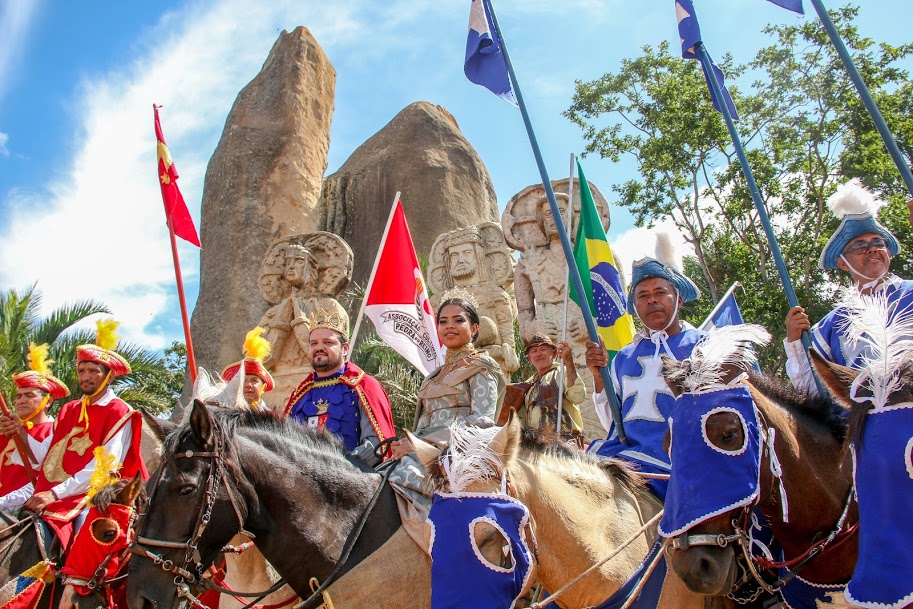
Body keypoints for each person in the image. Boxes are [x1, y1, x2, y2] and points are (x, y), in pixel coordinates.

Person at [587, 252, 704, 500]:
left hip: (683, 464)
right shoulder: (623, 357)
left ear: (679, 300)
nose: (652, 301)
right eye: (643, 296)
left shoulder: (704, 347)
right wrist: (600, 378)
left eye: (660, 293)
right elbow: (614, 423)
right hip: (627, 461)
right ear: (636, 307)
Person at [785, 180, 913, 394]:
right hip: (868, 423)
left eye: (878, 242)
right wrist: (795, 342)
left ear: (888, 252)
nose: (871, 249)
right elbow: (812, 391)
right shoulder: (830, 326)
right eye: (860, 245)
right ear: (843, 262)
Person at [27, 320, 147, 548]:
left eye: (94, 371)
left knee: (87, 539)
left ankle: (86, 584)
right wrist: (19, 434)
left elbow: (105, 468)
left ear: (109, 376)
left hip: (95, 497)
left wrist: (55, 494)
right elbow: (45, 456)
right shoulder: (69, 409)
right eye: (81, 370)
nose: (85, 376)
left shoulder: (120, 411)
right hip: (54, 494)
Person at [388, 296, 504, 502]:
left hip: (458, 454)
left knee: (399, 479)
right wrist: (408, 441)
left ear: (474, 328)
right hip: (422, 450)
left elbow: (481, 422)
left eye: (458, 320)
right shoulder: (433, 377)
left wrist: (422, 445)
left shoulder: (482, 367)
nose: (449, 326)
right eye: (443, 321)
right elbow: (424, 423)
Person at [284, 308, 395, 467]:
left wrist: (340, 467)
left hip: (349, 481)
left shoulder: (364, 386)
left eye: (328, 342)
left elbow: (377, 445)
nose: (319, 347)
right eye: (313, 343)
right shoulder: (300, 394)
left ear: (345, 349)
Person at [0, 344, 69, 512]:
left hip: (24, 509)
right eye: (19, 396)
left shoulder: (57, 432)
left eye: (29, 395)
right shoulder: (5, 430)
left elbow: (48, 472)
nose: (21, 401)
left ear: (48, 401)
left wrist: (20, 433)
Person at [507, 333, 585, 443]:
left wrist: (569, 362)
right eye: (534, 351)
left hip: (565, 444)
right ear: (529, 357)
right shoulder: (528, 385)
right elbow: (521, 419)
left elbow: (578, 396)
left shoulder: (563, 372)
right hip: (537, 447)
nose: (539, 354)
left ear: (554, 353)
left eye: (543, 349)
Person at [222, 327, 274, 411]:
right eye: (243, 380)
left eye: (254, 380)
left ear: (263, 388)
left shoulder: (274, 420)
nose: (248, 385)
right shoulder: (225, 417)